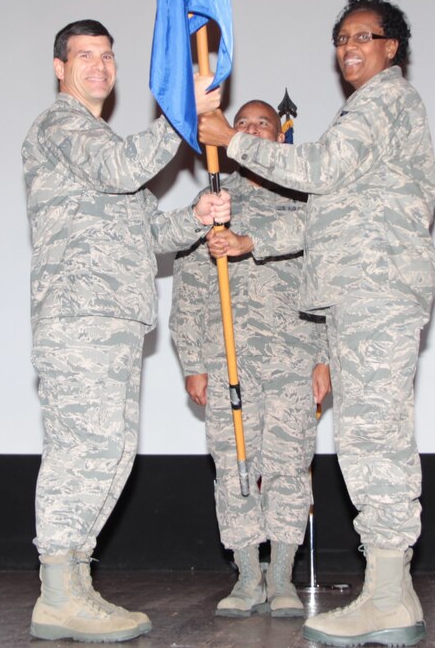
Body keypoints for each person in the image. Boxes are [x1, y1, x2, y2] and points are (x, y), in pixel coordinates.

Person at [199, 0, 435, 647]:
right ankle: (393, 593)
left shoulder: (383, 101)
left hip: (375, 289)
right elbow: (319, 213)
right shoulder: (369, 112)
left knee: (372, 440)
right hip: (361, 293)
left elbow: (321, 170)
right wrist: (254, 242)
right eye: (339, 38)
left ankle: (387, 596)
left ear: (391, 48)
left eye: (364, 35)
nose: (349, 46)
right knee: (370, 437)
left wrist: (230, 141)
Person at [22, 19, 230, 643]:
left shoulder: (103, 138)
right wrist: (181, 116)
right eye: (86, 56)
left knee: (110, 453)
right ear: (60, 67)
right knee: (81, 451)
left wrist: (194, 217)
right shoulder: (60, 127)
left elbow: (150, 234)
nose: (100, 67)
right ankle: (56, 592)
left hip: (114, 320)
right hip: (78, 316)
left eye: (108, 56)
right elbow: (119, 168)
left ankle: (74, 586)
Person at [170, 100, 331, 619]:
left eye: (262, 124)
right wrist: (193, 360)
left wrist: (324, 357)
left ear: (279, 137)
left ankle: (282, 576)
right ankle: (246, 576)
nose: (252, 129)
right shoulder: (214, 201)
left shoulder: (303, 203)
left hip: (293, 359)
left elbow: (324, 284)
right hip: (228, 362)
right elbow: (191, 287)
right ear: (228, 136)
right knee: (234, 468)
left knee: (289, 468)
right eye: (241, 123)